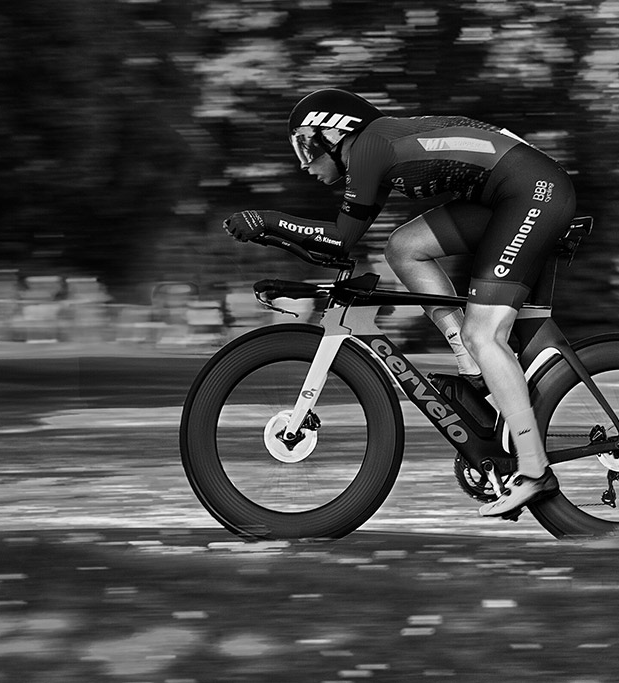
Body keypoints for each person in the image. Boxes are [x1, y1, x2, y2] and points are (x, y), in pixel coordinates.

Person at [223, 88, 577, 519]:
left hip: (531, 192)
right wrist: (270, 231)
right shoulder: (375, 147)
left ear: (334, 134)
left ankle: (534, 470)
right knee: (405, 246)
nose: (304, 163)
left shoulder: (370, 146)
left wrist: (269, 220)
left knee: (486, 332)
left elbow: (339, 238)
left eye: (305, 145)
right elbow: (336, 246)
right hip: (513, 192)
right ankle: (470, 357)